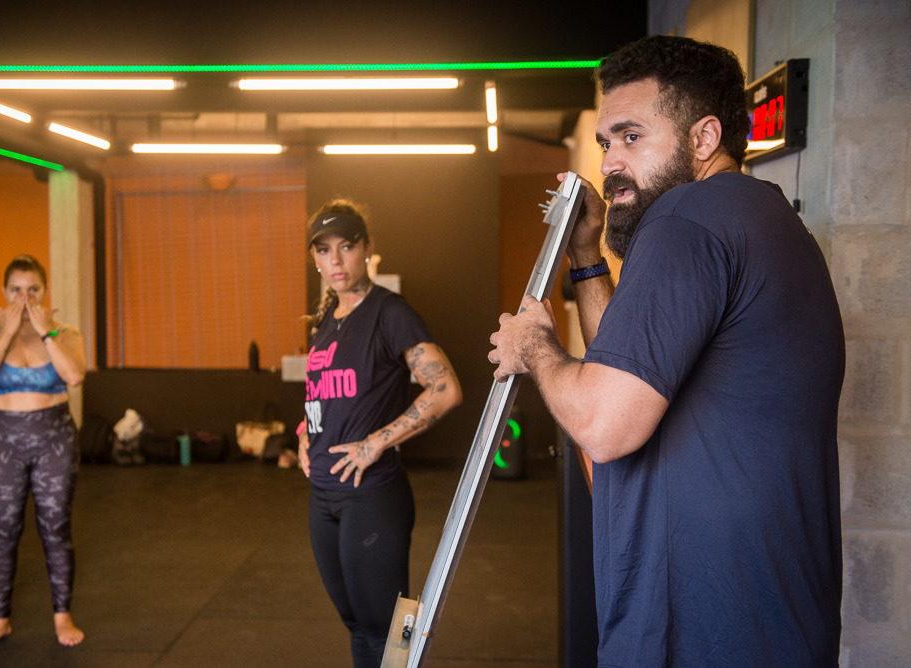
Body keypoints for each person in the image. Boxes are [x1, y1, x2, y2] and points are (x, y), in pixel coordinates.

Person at [489, 36, 844, 667]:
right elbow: (630, 367)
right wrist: (586, 256)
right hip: (770, 618)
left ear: (704, 138)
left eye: (631, 137)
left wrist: (536, 346)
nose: (611, 163)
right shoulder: (756, 216)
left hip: (702, 626)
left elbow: (605, 423)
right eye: (606, 144)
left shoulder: (685, 219)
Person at [298, 200, 462, 667]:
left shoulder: (389, 312)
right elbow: (324, 392)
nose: (335, 260)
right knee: (357, 625)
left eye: (346, 247)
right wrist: (303, 432)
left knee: (392, 628)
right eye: (324, 250)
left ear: (367, 248)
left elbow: (446, 389)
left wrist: (376, 443)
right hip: (324, 495)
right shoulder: (327, 320)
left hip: (372, 495)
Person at [0, 255, 87, 651]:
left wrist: (46, 332)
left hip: (54, 440)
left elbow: (74, 375)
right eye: (16, 290)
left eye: (33, 289)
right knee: (2, 533)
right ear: (3, 293)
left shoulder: (65, 332)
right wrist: (7, 333)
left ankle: (62, 616)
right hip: (1, 444)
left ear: (44, 292)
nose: (24, 297)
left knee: (56, 530)